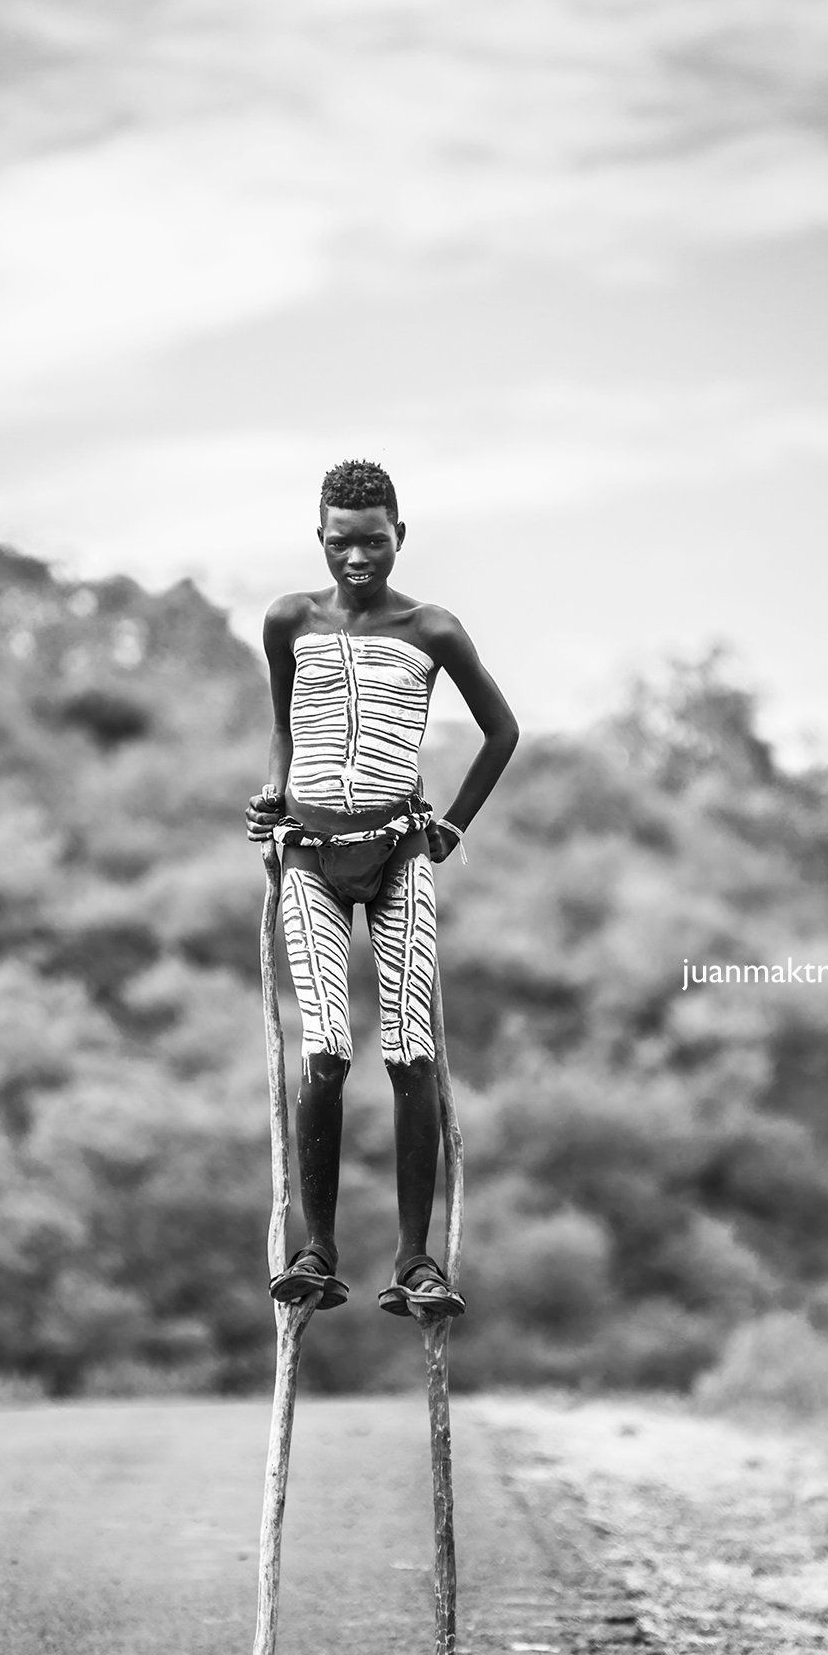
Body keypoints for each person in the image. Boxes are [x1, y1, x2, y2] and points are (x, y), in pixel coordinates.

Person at [245, 458, 519, 1318]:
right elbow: (286, 729)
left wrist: (452, 828)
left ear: (399, 534)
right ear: (319, 539)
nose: (356, 558)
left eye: (372, 541)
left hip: (399, 854)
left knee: (410, 1053)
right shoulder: (288, 620)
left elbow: (501, 731)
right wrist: (274, 796)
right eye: (340, 543)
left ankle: (415, 1263)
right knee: (326, 1050)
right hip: (308, 860)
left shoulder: (431, 629)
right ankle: (316, 1253)